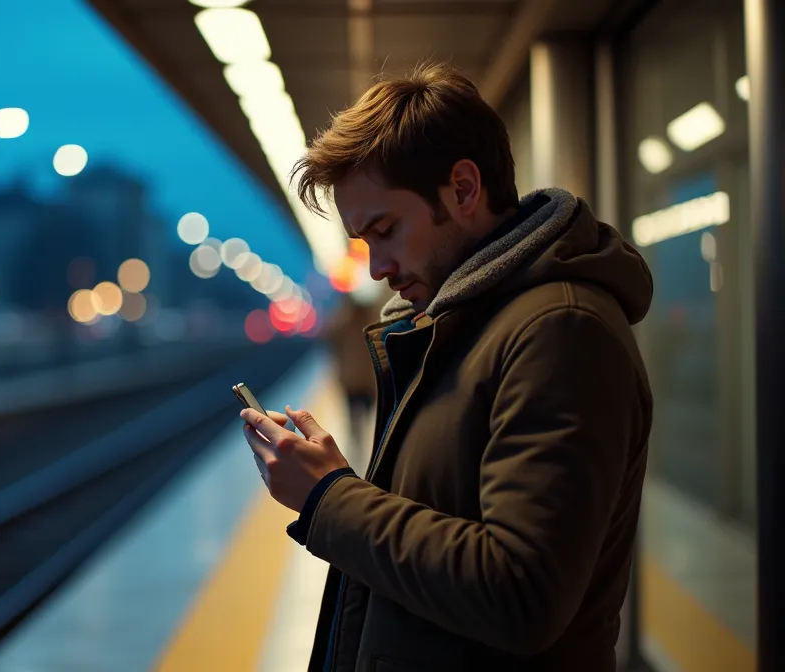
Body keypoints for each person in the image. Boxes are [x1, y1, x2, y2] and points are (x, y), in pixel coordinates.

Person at [239, 63, 653, 671]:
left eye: (385, 231)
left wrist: (329, 497)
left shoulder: (560, 331)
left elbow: (520, 593)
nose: (377, 267)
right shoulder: (463, 325)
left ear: (462, 189)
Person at [324, 292, 383, 468]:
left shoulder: (342, 322)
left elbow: (331, 341)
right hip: (369, 381)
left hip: (350, 381)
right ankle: (370, 455)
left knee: (354, 420)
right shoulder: (373, 322)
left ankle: (355, 453)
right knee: (371, 419)